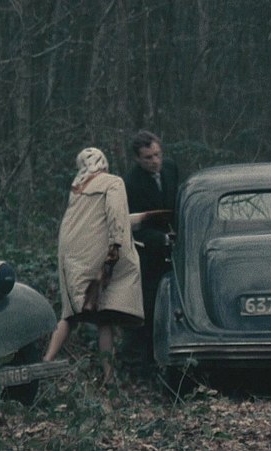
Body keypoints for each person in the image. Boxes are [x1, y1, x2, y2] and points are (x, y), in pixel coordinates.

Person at [44, 147, 144, 384]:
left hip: (72, 257)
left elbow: (91, 222)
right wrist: (116, 248)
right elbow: (116, 218)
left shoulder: (77, 189)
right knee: (103, 316)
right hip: (98, 257)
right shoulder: (113, 182)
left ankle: (45, 363)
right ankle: (108, 377)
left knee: (72, 315)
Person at [120, 130, 179, 368]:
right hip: (148, 253)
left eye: (157, 155)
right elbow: (130, 225)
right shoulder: (131, 184)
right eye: (148, 158)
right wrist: (161, 239)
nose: (155, 161)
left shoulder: (171, 169)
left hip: (177, 248)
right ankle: (145, 361)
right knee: (150, 306)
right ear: (137, 158)